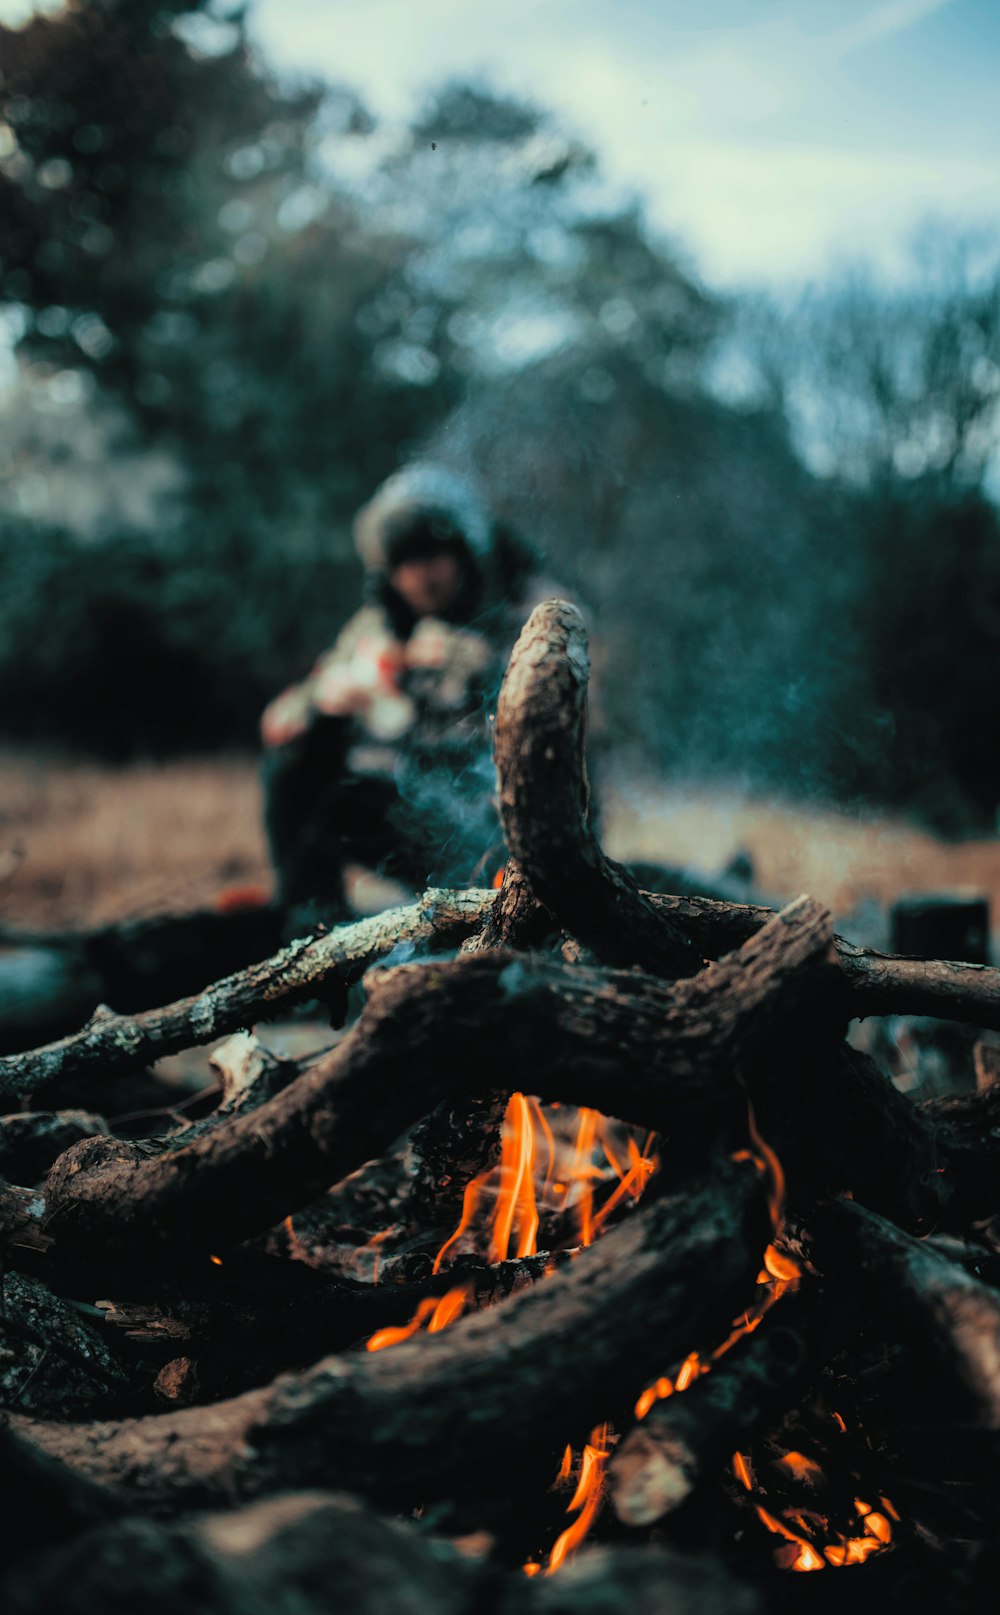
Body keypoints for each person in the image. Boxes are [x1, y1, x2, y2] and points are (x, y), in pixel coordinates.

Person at [260, 465, 564, 927]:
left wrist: (481, 667)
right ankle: (308, 925)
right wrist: (328, 698)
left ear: (465, 552)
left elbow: (573, 714)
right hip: (414, 813)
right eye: (403, 562)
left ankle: (520, 908)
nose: (420, 576)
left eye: (433, 555)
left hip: (501, 829)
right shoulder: (378, 627)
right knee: (298, 763)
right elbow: (280, 720)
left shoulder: (530, 606)